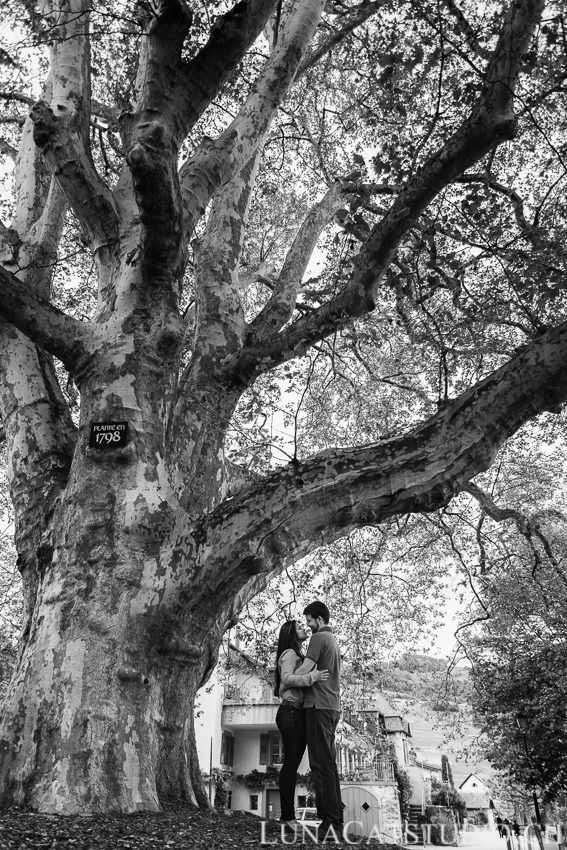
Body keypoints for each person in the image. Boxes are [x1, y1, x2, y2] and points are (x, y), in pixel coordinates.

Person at [293, 600, 343, 842]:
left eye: (310, 620)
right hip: (331, 707)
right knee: (328, 763)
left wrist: (286, 679)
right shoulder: (333, 641)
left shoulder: (319, 638)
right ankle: (335, 817)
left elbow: (305, 670)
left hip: (318, 706)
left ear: (320, 619)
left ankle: (330, 822)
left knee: (321, 765)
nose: (308, 625)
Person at [274, 619, 329, 832]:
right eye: (299, 627)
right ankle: (288, 817)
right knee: (290, 766)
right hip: (290, 711)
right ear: (290, 633)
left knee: (291, 765)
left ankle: (287, 817)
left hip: (294, 712)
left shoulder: (297, 655)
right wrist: (312, 677)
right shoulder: (289, 653)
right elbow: (287, 679)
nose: (304, 628)